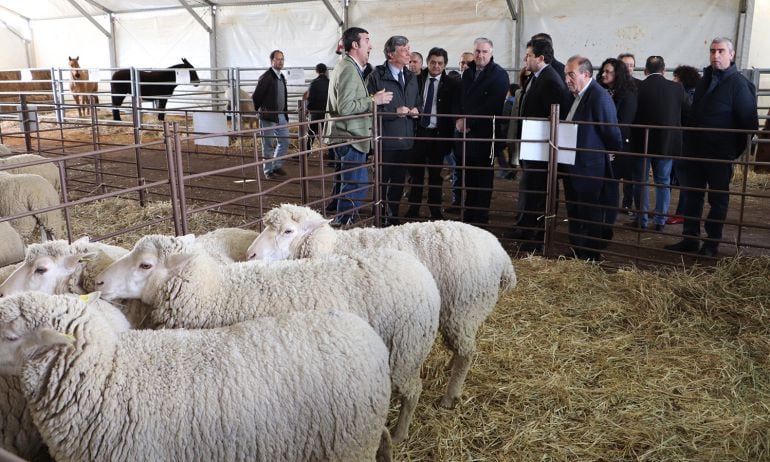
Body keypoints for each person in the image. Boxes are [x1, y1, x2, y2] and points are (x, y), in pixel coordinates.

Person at [664, 37, 757, 257]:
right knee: (692, 195)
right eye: (713, 51)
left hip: (719, 153)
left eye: (721, 51)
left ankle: (711, 242)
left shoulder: (740, 85)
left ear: (731, 55)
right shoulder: (704, 79)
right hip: (695, 150)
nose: (716, 55)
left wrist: (731, 152)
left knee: (717, 198)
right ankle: (690, 238)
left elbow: (749, 124)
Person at [324, 27, 393, 226]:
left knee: (353, 183)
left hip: (348, 136)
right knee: (355, 184)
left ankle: (344, 220)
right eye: (367, 40)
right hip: (349, 136)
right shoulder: (347, 68)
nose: (370, 45)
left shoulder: (348, 67)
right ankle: (342, 223)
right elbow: (345, 107)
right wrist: (374, 100)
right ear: (355, 45)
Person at [512, 37, 571, 250]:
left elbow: (555, 115)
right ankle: (528, 232)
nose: (525, 59)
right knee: (531, 190)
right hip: (532, 145)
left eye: (528, 55)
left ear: (540, 58)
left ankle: (536, 239)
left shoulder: (550, 80)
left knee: (538, 192)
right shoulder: (538, 77)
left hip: (541, 148)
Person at [563, 55, 623, 261]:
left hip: (590, 165)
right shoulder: (578, 95)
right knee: (576, 209)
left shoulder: (599, 96)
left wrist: (612, 151)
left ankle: (591, 253)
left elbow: (611, 132)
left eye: (571, 75)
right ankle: (577, 249)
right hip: (575, 163)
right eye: (566, 75)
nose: (567, 79)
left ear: (586, 74)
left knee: (590, 211)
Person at [453, 37, 510, 224]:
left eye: (485, 52)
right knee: (468, 174)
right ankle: (468, 213)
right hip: (466, 133)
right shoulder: (468, 73)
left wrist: (469, 121)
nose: (480, 55)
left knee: (484, 176)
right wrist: (460, 119)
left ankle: (481, 216)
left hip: (485, 133)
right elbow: (461, 98)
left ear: (491, 52)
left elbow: (493, 104)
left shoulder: (499, 74)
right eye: (477, 51)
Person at [366, 35, 421, 226]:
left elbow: (418, 101)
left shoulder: (412, 77)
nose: (409, 53)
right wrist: (394, 112)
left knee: (398, 181)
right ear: (391, 54)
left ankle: (393, 216)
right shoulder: (376, 76)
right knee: (381, 180)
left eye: (408, 48)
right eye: (404, 50)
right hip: (385, 140)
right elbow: (369, 108)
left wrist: (417, 110)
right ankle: (379, 217)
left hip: (405, 140)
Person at [630, 55, 689, 232]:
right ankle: (661, 221)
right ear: (664, 71)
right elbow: (687, 111)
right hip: (667, 142)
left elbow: (632, 113)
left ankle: (642, 219)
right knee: (663, 181)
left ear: (645, 71)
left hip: (642, 142)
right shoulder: (677, 88)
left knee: (641, 181)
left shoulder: (637, 87)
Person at [405, 47, 458, 220]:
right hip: (418, 132)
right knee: (416, 174)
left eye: (440, 63)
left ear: (445, 65)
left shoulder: (452, 84)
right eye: (433, 62)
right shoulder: (416, 79)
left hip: (439, 134)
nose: (436, 66)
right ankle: (413, 208)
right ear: (427, 62)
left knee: (436, 175)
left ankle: (435, 209)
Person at [596, 57, 638, 243]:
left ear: (617, 74)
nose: (604, 74)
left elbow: (623, 122)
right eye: (603, 71)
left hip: (618, 146)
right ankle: (598, 223)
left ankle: (608, 225)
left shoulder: (628, 94)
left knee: (611, 185)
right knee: (599, 185)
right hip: (599, 145)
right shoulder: (600, 91)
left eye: (609, 72)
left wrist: (610, 144)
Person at [666, 64, 702, 225]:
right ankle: (666, 210)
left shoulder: (689, 95)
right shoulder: (687, 93)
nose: (673, 80)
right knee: (675, 176)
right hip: (682, 141)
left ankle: (682, 213)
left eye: (676, 77)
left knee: (683, 178)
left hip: (686, 142)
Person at [251, 50, 289, 179]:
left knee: (284, 140)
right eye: (278, 59)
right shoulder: (266, 77)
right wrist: (260, 111)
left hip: (281, 115)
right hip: (268, 115)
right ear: (272, 61)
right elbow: (256, 96)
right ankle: (268, 171)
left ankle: (277, 165)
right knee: (268, 144)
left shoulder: (281, 76)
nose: (280, 61)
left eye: (282, 59)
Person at [303, 63, 330, 151]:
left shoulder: (314, 83)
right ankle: (332, 155)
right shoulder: (330, 82)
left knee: (311, 133)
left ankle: (306, 152)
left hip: (316, 112)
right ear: (325, 71)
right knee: (329, 133)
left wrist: (308, 109)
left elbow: (311, 98)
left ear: (316, 71)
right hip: (327, 112)